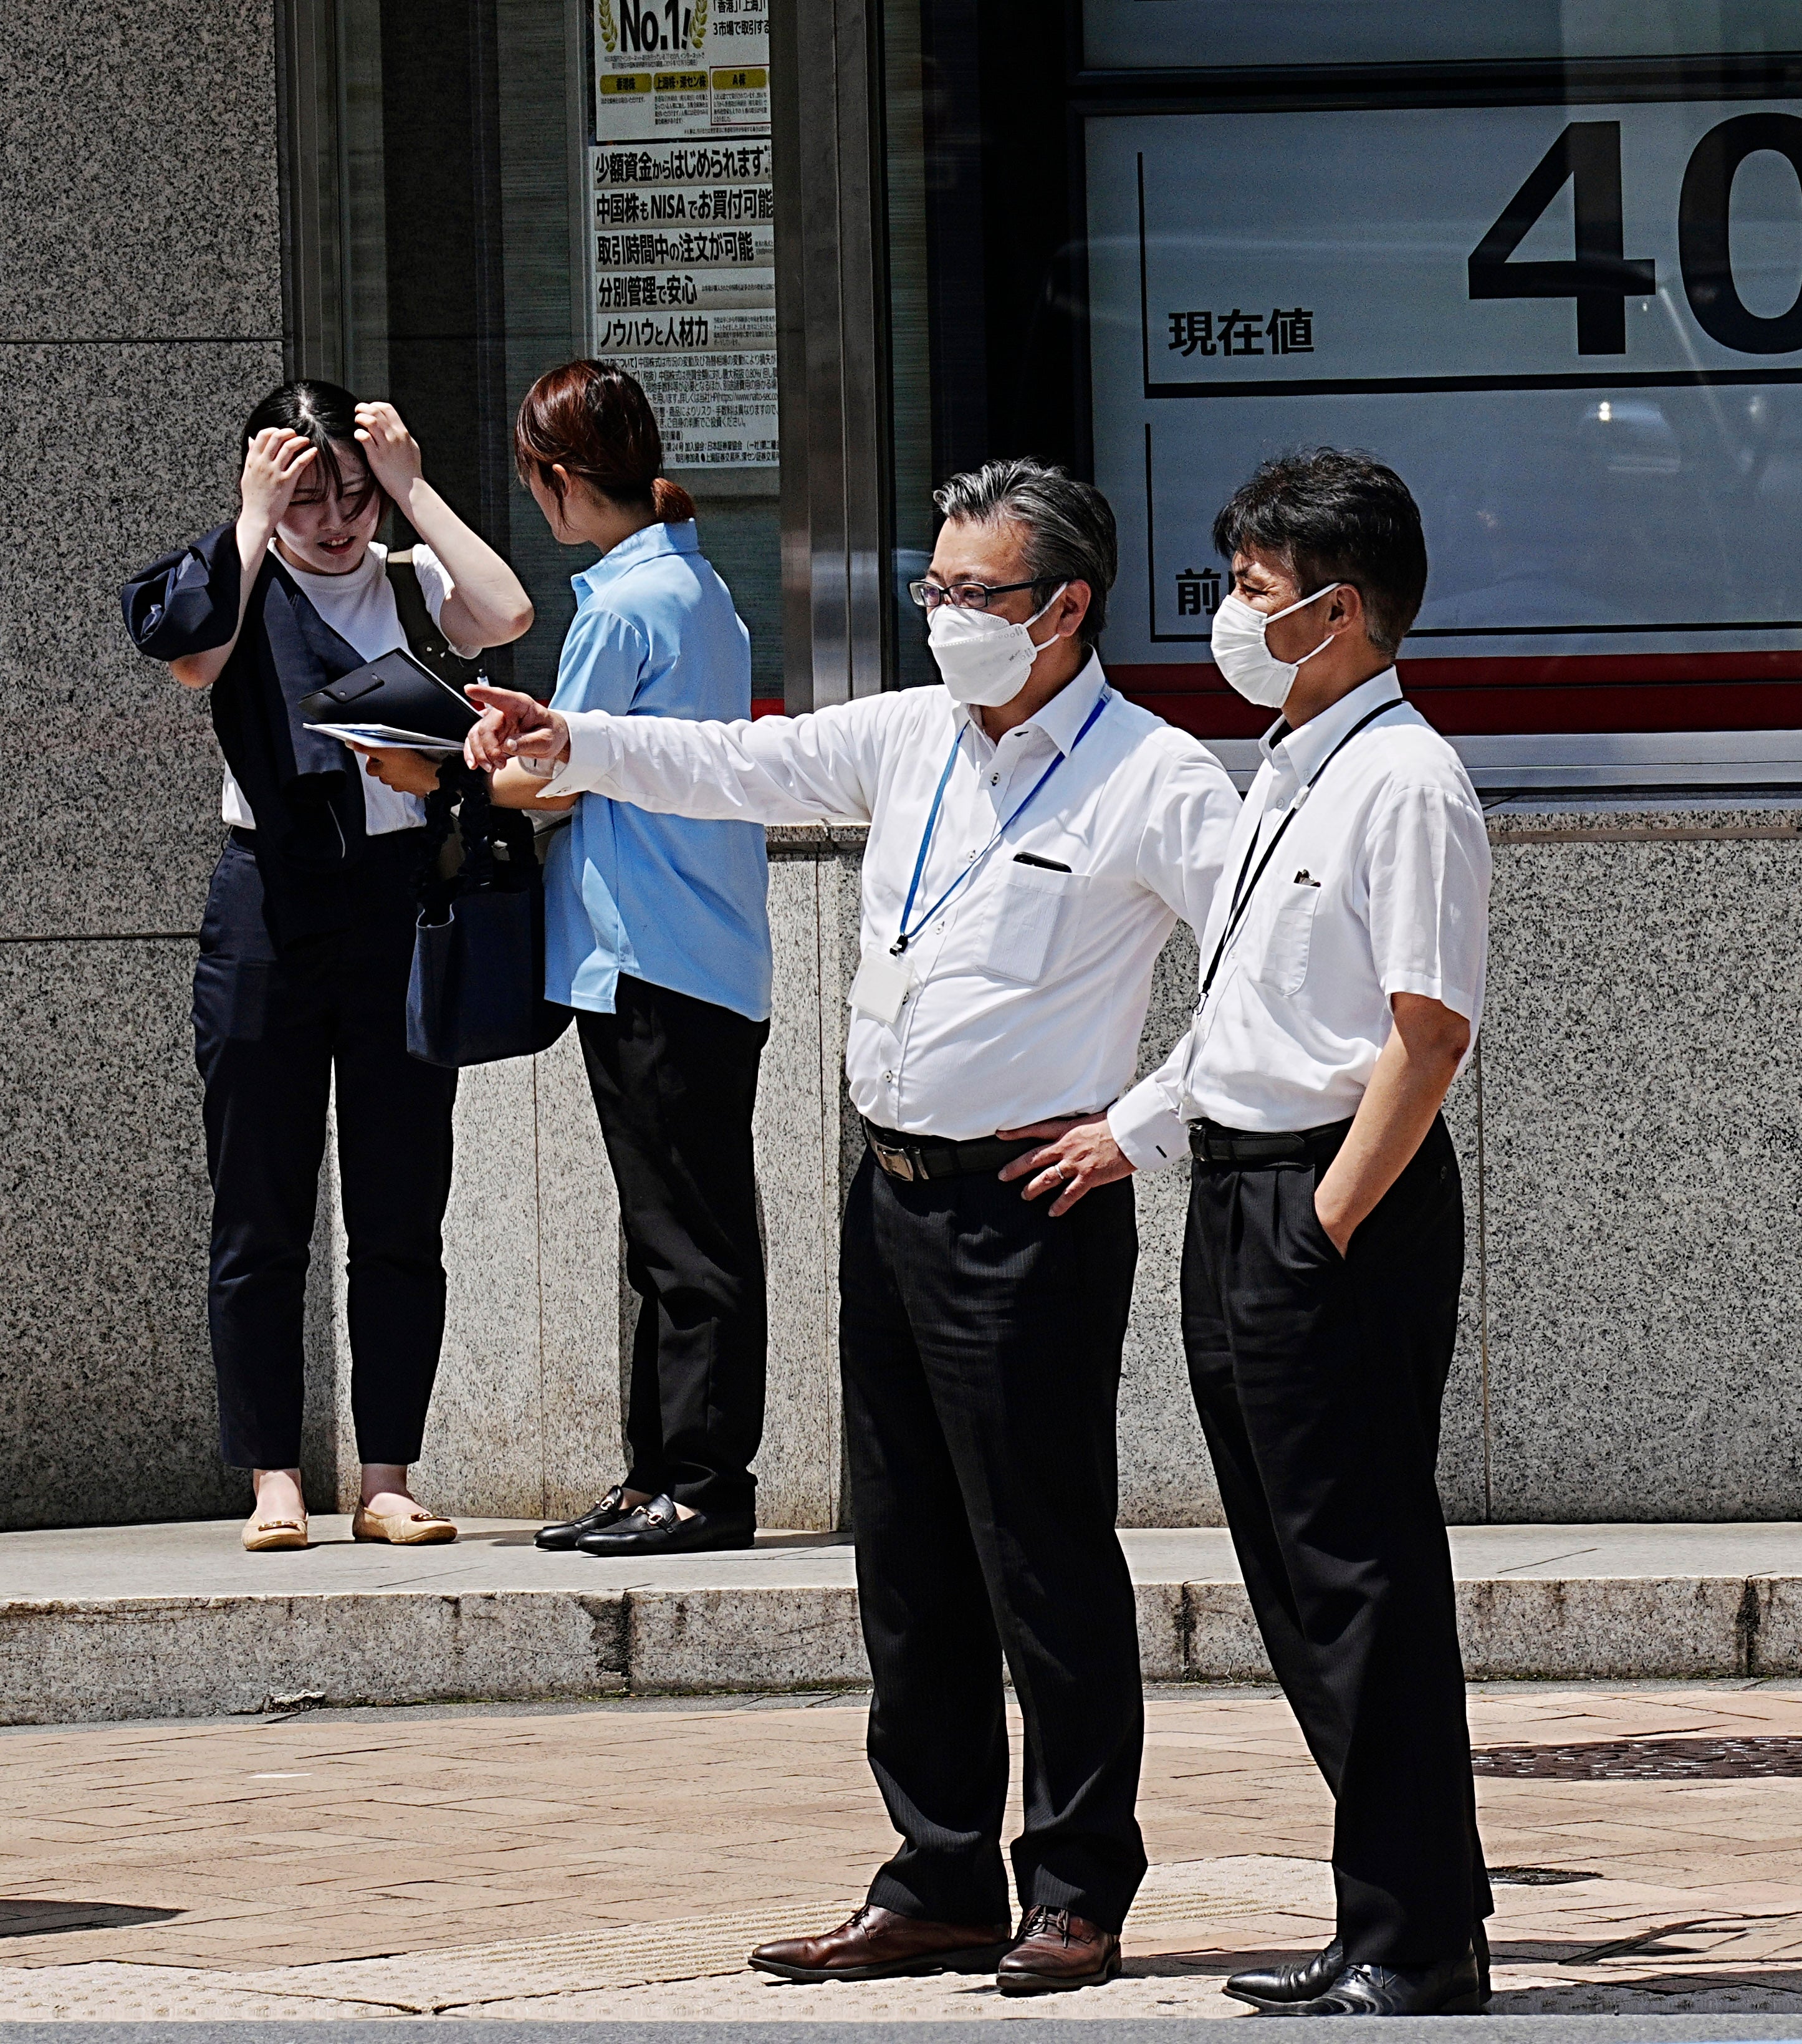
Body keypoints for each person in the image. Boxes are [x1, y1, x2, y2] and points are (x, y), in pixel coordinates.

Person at [466, 459, 1239, 1993]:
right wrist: (576, 742)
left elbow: (1269, 970)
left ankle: (1075, 1881)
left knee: (1044, 1557)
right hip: (888, 1198)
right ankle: (937, 1870)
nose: (944, 616)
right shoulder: (909, 736)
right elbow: (741, 766)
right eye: (932, 590)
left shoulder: (1156, 778)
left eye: (975, 595)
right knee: (908, 1557)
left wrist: (1136, 1129)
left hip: (1029, 1207)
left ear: (1065, 606)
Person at [1027, 449, 1495, 2017]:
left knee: (1360, 1576)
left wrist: (1325, 1225)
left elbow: (1425, 1036)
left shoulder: (1407, 779)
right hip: (1234, 1193)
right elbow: (1242, 1013)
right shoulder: (1285, 764)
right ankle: (1383, 1913)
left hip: (1324, 1202)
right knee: (1299, 1580)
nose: (1229, 613)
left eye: (1252, 589)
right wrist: (1137, 1133)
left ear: (1339, 610)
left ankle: (1422, 1936)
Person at [122, 381, 534, 1553]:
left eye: (350, 496)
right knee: (260, 1208)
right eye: (309, 497)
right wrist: (250, 523)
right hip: (267, 901)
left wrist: (413, 487)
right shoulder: (236, 580)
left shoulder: (407, 580)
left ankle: (387, 1474)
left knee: (403, 1206)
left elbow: (502, 613)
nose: (335, 521)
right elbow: (191, 657)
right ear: (266, 491)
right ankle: (271, 1479)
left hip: (399, 902)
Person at [502, 360, 775, 1559]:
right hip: (699, 950)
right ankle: (656, 1473)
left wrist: (452, 765)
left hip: (652, 956)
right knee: (670, 1233)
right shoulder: (696, 585)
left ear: (558, 480)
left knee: (685, 1241)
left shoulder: (622, 606)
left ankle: (704, 1484)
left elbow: (552, 772)